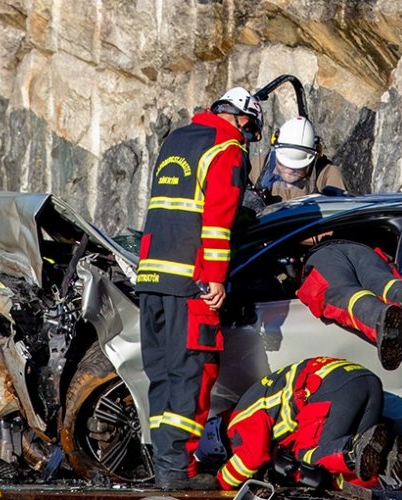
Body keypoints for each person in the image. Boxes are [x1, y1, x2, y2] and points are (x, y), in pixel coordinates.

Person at [136, 86, 261, 490]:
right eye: (249, 130)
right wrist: (216, 278)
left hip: (151, 276)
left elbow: (171, 211)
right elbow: (217, 221)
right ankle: (177, 471)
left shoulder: (177, 140)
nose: (247, 138)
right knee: (193, 372)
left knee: (162, 375)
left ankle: (166, 465)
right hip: (192, 281)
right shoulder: (227, 148)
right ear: (243, 119)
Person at [213, 356, 402, 491]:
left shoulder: (238, 419)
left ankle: (353, 449)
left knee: (307, 457)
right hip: (362, 380)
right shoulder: (255, 399)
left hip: (329, 388)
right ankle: (387, 461)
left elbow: (251, 457)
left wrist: (220, 482)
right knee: (358, 464)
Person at [296, 239, 402, 370]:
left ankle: (379, 316)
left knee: (346, 294)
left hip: (323, 257)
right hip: (363, 249)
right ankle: (401, 292)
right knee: (380, 282)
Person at [254, 116, 347, 204]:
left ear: (314, 158)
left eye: (297, 167)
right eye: (283, 164)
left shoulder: (326, 174)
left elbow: (340, 209)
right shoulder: (260, 166)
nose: (289, 170)